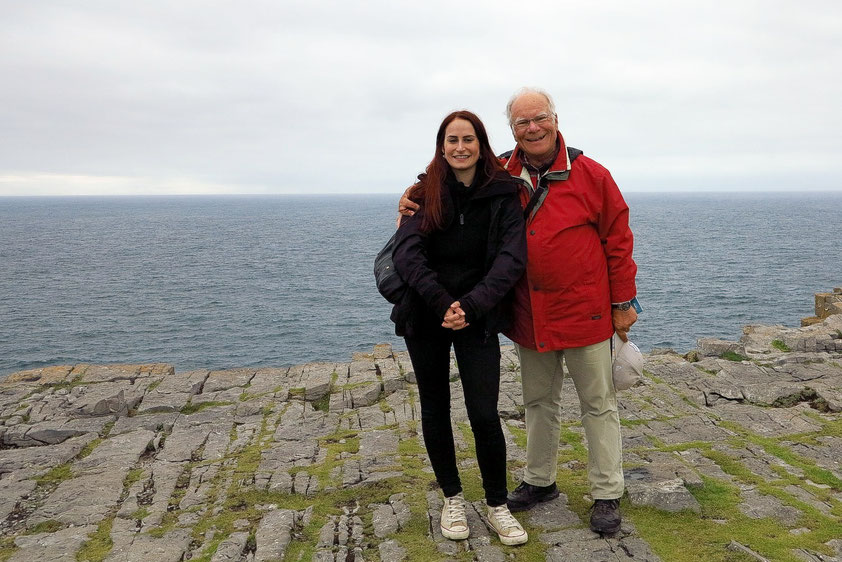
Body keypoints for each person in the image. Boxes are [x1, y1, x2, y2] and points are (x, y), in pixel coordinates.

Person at [399, 88, 638, 535]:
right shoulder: (501, 172)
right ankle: (539, 481)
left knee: (597, 404)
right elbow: (444, 190)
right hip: (529, 311)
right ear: (510, 131)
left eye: (539, 119)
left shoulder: (591, 174)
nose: (533, 129)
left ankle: (607, 492)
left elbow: (618, 239)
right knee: (537, 402)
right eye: (522, 123)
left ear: (555, 119)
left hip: (585, 309)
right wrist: (409, 199)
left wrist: (623, 302)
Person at [389, 110, 528, 546]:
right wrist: (443, 302)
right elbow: (407, 254)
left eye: (468, 139)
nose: (460, 147)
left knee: (485, 413)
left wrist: (470, 305)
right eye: (452, 140)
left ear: (481, 144)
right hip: (426, 315)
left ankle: (497, 504)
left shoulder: (503, 192)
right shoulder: (422, 192)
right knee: (435, 408)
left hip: (477, 315)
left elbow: (512, 258)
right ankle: (451, 497)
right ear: (441, 145)